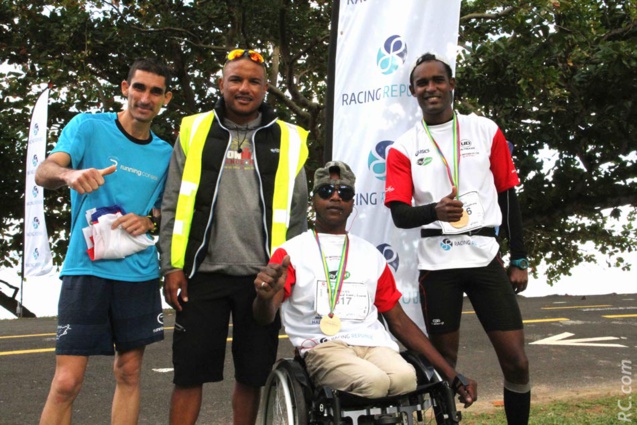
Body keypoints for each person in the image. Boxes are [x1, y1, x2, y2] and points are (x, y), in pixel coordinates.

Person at [159, 48, 309, 425]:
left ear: (266, 87)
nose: (244, 88)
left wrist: (284, 277)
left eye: (254, 81)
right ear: (221, 84)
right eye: (236, 80)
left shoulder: (290, 138)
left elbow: (296, 218)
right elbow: (173, 200)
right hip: (200, 274)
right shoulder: (194, 129)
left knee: (252, 375)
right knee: (189, 374)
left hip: (262, 278)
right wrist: (171, 266)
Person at [384, 52, 531, 425]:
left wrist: (519, 258)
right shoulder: (403, 147)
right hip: (438, 266)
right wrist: (434, 210)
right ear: (413, 91)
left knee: (517, 361)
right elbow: (400, 215)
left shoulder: (486, 130)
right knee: (445, 366)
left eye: (437, 80)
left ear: (451, 85)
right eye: (422, 83)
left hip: (484, 257)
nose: (430, 88)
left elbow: (507, 195)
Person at [253, 161, 477, 405]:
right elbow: (265, 316)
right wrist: (264, 299)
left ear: (352, 204)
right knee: (374, 383)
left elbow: (399, 322)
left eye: (345, 193)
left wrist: (452, 375)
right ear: (314, 200)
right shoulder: (290, 253)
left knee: (405, 379)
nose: (336, 198)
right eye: (326, 191)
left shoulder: (371, 255)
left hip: (374, 346)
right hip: (323, 347)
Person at [35, 58, 174, 425]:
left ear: (166, 98)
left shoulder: (166, 154)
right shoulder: (87, 127)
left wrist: (149, 219)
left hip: (138, 275)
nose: (145, 97)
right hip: (86, 271)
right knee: (66, 382)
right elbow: (44, 171)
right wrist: (71, 173)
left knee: (128, 373)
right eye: (139, 87)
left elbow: (170, 210)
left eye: (155, 91)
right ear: (125, 88)